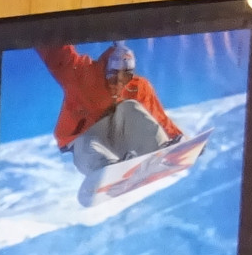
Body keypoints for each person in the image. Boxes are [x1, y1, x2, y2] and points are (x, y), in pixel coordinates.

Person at [40, 41, 184, 175]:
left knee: (131, 106)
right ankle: (105, 168)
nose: (120, 82)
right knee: (86, 142)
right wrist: (47, 32)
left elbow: (157, 117)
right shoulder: (83, 75)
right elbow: (59, 57)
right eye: (115, 76)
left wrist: (178, 141)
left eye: (125, 77)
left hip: (119, 137)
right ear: (107, 70)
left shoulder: (139, 87)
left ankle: (159, 149)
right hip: (87, 139)